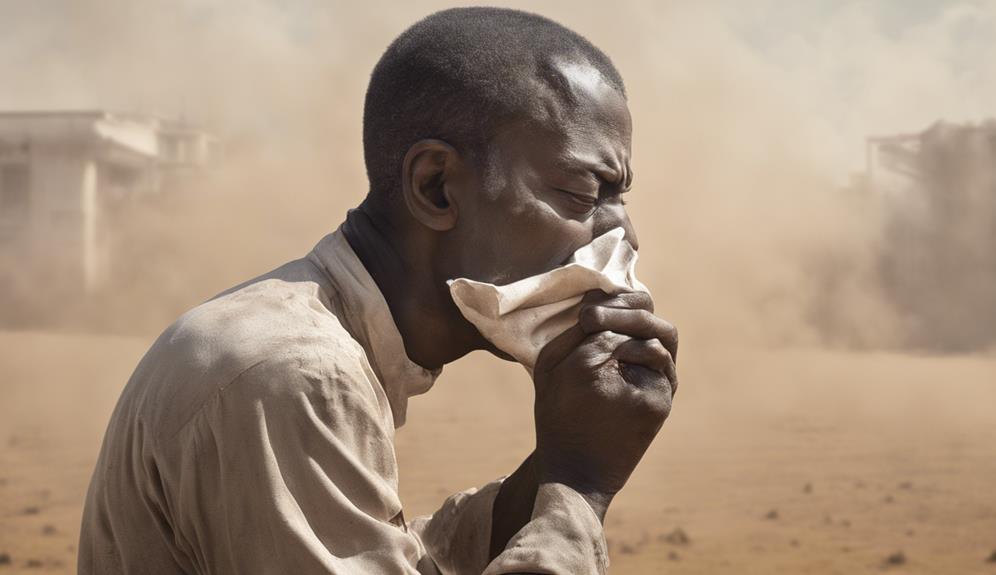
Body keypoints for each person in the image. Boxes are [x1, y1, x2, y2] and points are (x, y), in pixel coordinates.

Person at [78, 7, 679, 574]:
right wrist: (577, 488)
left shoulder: (313, 339)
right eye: (581, 194)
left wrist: (564, 458)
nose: (621, 235)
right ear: (436, 186)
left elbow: (400, 555)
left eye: (619, 198)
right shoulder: (295, 372)